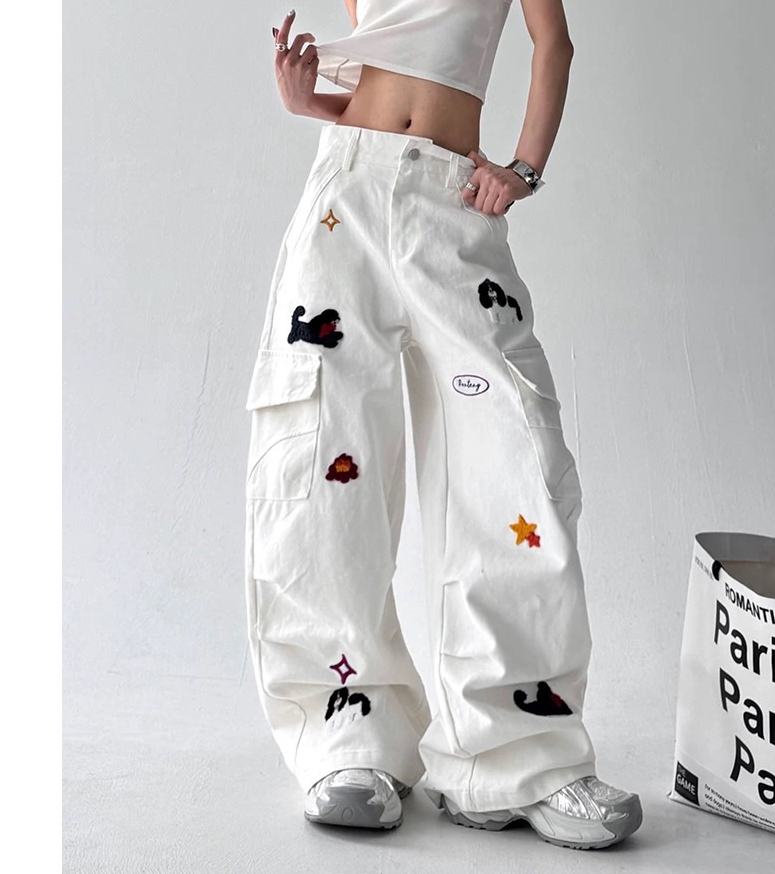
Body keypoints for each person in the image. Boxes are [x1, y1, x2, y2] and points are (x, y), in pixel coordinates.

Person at [244, 1, 643, 851]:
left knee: (514, 452)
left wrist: (524, 168)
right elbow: (383, 76)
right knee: (324, 451)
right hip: (345, 189)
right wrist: (309, 101)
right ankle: (348, 736)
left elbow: (553, 43)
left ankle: (517, 756)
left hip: (453, 195)